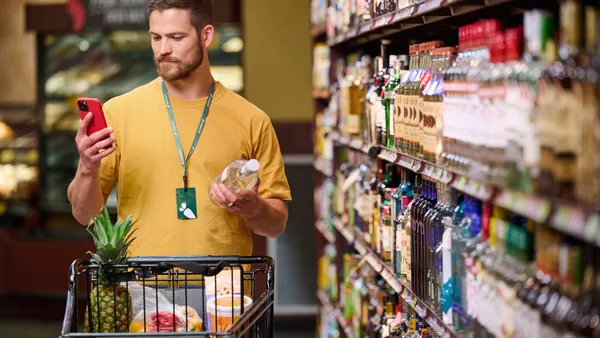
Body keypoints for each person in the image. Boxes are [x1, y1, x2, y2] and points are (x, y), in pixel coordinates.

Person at [67, 0, 291, 258]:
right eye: (156, 37)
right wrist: (87, 166)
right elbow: (84, 215)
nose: (163, 49)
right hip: (141, 287)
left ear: (206, 36)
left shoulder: (253, 120)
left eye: (176, 37)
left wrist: (253, 207)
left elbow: (276, 225)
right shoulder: (118, 112)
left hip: (221, 290)